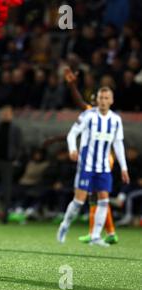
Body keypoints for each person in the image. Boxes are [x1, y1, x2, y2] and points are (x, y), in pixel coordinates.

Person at [57, 85, 130, 247]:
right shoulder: (88, 116)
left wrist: (124, 167)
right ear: (97, 99)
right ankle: (65, 225)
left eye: (106, 98)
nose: (103, 101)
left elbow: (118, 144)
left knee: (104, 200)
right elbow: (72, 134)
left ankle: (96, 236)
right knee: (79, 201)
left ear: (111, 100)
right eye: (100, 98)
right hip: (86, 166)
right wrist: (73, 149)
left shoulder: (116, 120)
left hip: (104, 167)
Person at [64, 67, 119, 244]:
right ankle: (105, 233)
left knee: (97, 195)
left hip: (103, 159)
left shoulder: (101, 114)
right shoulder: (91, 114)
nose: (97, 102)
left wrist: (72, 86)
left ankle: (104, 233)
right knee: (96, 197)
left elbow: (79, 102)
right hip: (99, 158)